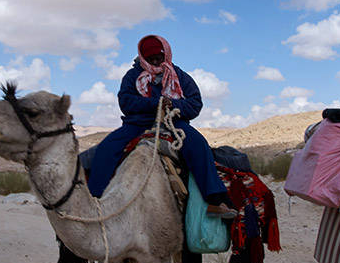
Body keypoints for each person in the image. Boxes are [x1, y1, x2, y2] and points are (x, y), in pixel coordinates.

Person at [87, 34, 236, 218]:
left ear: (165, 54)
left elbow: (195, 103)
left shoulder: (179, 75)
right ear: (143, 57)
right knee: (107, 148)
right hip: (138, 124)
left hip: (174, 123)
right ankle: (95, 199)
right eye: (151, 58)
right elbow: (125, 102)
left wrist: (173, 105)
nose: (156, 61)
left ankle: (215, 199)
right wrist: (155, 103)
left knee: (198, 144)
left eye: (159, 57)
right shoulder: (132, 76)